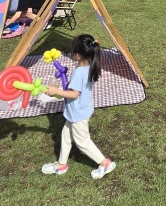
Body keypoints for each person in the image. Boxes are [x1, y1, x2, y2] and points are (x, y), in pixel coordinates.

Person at [40, 34, 116, 179]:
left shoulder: (79, 73)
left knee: (82, 142)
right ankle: (61, 164)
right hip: (80, 109)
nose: (70, 53)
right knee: (66, 136)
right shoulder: (89, 65)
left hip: (78, 113)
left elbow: (75, 94)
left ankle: (104, 163)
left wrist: (56, 91)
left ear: (78, 55)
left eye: (71, 51)